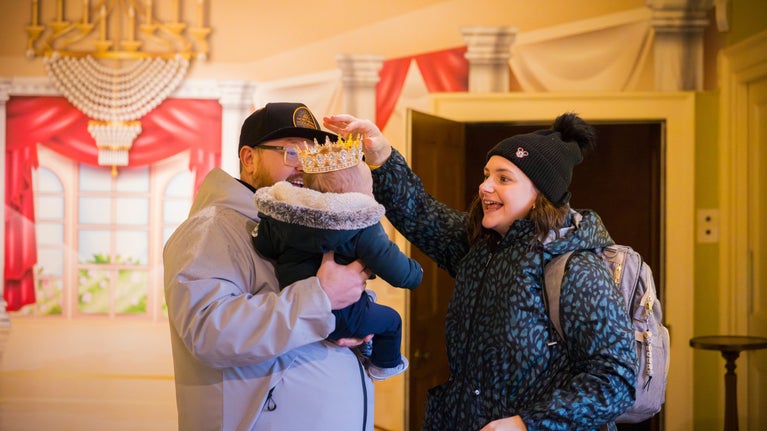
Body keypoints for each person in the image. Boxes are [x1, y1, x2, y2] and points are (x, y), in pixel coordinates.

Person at [323, 112, 638, 431]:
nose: (484, 186)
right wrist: (380, 154)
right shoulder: (479, 246)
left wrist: (525, 425)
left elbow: (616, 380)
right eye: (487, 174)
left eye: (503, 178)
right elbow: (420, 212)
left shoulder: (578, 267)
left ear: (540, 194)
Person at [163, 102, 375, 431]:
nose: (305, 167)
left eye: (312, 155)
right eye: (292, 153)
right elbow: (210, 330)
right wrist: (321, 298)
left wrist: (356, 324)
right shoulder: (214, 227)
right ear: (249, 158)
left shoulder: (293, 227)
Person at [252, 135, 422, 380]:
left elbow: (264, 245)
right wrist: (415, 273)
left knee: (369, 309)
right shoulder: (360, 222)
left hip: (299, 310)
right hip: (345, 313)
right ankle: (384, 365)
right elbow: (394, 268)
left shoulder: (284, 216)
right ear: (353, 195)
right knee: (391, 321)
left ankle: (366, 343)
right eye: (368, 188)